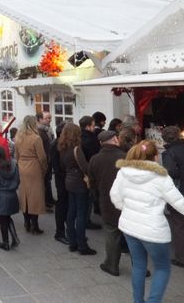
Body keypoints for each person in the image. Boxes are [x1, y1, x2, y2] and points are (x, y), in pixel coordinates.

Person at [110, 141, 184, 303]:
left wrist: (128, 209)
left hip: (129, 227)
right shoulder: (161, 177)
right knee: (163, 268)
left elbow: (115, 197)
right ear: (155, 156)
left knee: (138, 266)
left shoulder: (123, 172)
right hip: (153, 231)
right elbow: (181, 204)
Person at [88, 130, 127, 275]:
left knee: (112, 233)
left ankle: (112, 265)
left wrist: (97, 197)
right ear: (115, 140)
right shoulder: (125, 156)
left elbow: (91, 182)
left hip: (107, 200)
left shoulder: (95, 159)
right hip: (127, 200)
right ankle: (140, 267)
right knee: (132, 234)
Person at [160, 126, 184, 268]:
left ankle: (183, 259)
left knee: (180, 226)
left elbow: (171, 172)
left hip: (180, 193)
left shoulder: (168, 153)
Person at [59, 122, 97, 255]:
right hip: (80, 183)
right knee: (81, 214)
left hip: (69, 181)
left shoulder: (62, 148)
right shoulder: (76, 149)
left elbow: (63, 166)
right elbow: (85, 167)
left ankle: (72, 242)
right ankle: (82, 244)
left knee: (71, 212)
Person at [15, 115, 47, 234]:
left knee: (24, 195)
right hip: (34, 166)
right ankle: (35, 224)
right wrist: (44, 168)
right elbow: (42, 157)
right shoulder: (36, 138)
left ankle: (26, 222)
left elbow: (16, 154)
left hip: (22, 165)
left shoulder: (18, 136)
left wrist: (19, 163)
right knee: (35, 196)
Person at [0, 146, 20, 251]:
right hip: (12, 194)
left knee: (3, 219)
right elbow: (18, 180)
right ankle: (14, 238)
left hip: (1, 196)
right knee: (7, 217)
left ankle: (5, 242)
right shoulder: (14, 165)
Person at [79, 115, 102, 229]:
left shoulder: (79, 137)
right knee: (89, 197)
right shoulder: (91, 140)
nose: (94, 128)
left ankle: (84, 219)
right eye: (93, 125)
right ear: (88, 126)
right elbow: (94, 156)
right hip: (89, 172)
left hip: (81, 172)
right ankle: (86, 221)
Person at [51, 122, 69, 245]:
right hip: (61, 181)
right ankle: (59, 232)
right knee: (62, 206)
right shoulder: (55, 146)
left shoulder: (62, 145)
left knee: (67, 205)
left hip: (65, 179)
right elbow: (56, 167)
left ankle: (68, 230)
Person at [36, 111, 55, 210]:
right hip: (44, 159)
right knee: (44, 181)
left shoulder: (48, 129)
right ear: (40, 119)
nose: (49, 120)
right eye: (47, 118)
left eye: (50, 118)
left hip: (49, 157)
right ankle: (45, 201)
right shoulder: (39, 131)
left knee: (48, 180)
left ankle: (49, 199)